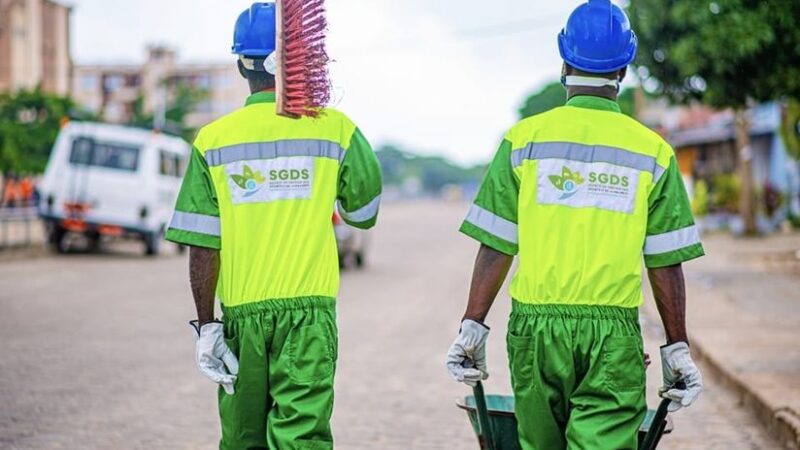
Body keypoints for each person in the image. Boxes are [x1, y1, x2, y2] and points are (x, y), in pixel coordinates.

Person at [445, 1, 705, 449]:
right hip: (613, 338)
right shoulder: (654, 153)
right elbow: (665, 262)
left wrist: (473, 326)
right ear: (624, 69)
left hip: (535, 332)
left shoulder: (522, 141)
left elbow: (497, 245)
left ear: (564, 60)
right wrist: (676, 347)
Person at [165, 3, 382, 449]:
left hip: (240, 318)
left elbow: (203, 245)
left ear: (241, 63)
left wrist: (207, 327)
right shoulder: (337, 130)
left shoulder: (212, 141)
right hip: (308, 317)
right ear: (301, 57)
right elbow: (363, 213)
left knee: (243, 439)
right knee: (302, 438)